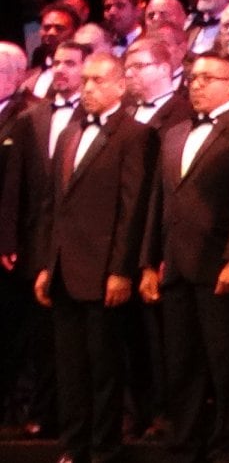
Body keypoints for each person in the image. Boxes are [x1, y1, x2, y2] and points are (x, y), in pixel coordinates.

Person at [33, 50, 155, 463]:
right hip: (66, 268)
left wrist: (122, 270)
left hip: (103, 269)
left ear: (121, 85)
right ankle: (73, 445)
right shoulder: (69, 133)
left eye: (97, 81)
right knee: (69, 367)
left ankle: (104, 448)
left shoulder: (133, 135)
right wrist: (47, 265)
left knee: (104, 367)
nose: (87, 88)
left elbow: (132, 207)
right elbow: (54, 205)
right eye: (84, 81)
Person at [141, 50, 229, 463]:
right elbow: (158, 204)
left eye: (209, 78)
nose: (197, 84)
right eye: (193, 78)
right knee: (182, 363)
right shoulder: (173, 133)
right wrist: (148, 262)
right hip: (175, 266)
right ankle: (185, 443)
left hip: (217, 266)